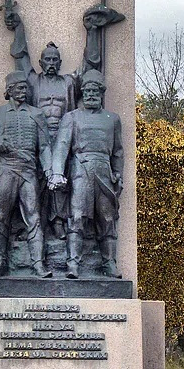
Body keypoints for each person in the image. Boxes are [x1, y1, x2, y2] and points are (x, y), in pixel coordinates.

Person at [4, 4, 123, 242]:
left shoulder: (69, 83)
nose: (50, 62)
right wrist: (18, 28)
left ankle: (60, 222)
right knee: (36, 182)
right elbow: (20, 57)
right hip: (37, 137)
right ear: (40, 61)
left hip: (65, 136)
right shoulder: (32, 81)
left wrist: (92, 32)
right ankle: (30, 226)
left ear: (59, 63)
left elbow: (90, 67)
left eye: (54, 59)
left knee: (64, 181)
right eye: (46, 59)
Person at [49, 69, 124, 279]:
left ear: (101, 93)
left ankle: (109, 263)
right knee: (77, 217)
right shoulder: (71, 118)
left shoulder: (113, 120)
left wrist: (118, 174)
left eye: (95, 91)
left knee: (107, 218)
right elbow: (61, 148)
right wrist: (57, 173)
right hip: (81, 169)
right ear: (82, 93)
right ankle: (73, 263)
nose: (91, 95)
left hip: (104, 170)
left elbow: (118, 151)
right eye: (87, 91)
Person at [0, 71, 52, 278]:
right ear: (9, 90)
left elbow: (44, 146)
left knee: (34, 216)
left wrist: (49, 170)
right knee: (1, 216)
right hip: (6, 169)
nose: (23, 92)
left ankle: (38, 264)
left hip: (28, 170)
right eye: (19, 88)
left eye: (26, 88)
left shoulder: (36, 114)